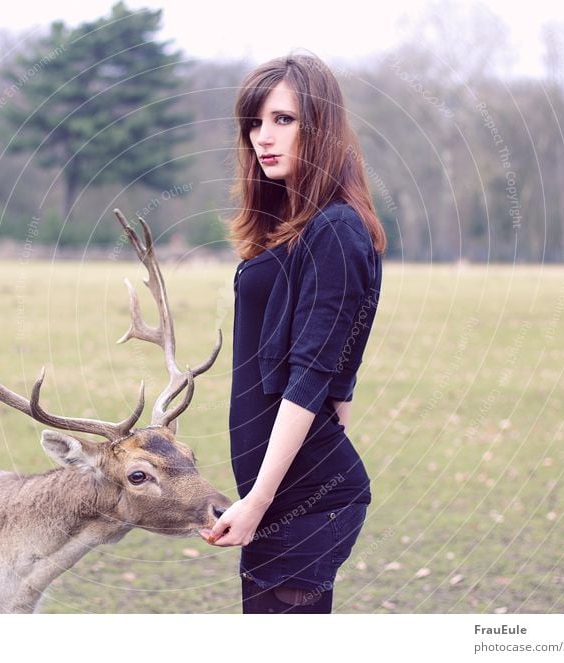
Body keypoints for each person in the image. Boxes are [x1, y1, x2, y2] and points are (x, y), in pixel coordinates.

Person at [200, 53, 387, 614]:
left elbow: (319, 376)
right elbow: (338, 384)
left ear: (321, 126)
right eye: (254, 123)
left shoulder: (336, 230)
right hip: (289, 495)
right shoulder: (300, 229)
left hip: (302, 498)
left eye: (283, 119)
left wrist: (259, 500)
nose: (263, 136)